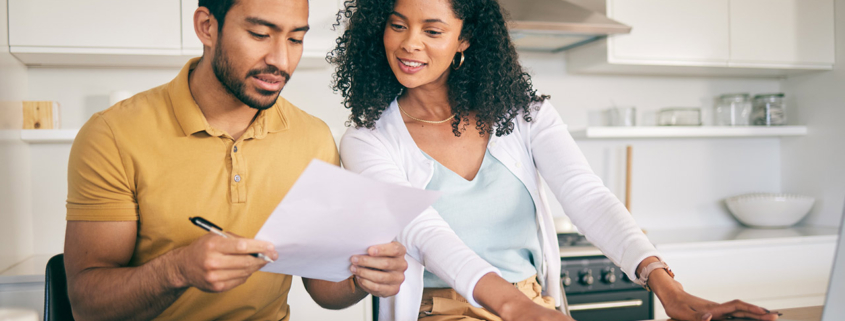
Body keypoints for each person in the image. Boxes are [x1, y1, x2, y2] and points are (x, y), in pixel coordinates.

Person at [329, 0, 783, 320]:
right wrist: (512, 307)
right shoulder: (369, 140)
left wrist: (668, 288)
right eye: (397, 24)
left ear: (464, 39)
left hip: (532, 306)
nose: (409, 44)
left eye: (432, 30)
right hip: (441, 312)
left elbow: (587, 197)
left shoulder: (524, 115)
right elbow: (424, 232)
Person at [63, 0, 408, 320]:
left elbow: (322, 286)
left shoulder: (313, 138)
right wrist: (177, 270)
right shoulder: (113, 134)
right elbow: (87, 304)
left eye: (295, 39)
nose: (281, 61)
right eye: (260, 34)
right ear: (206, 27)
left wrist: (363, 278)